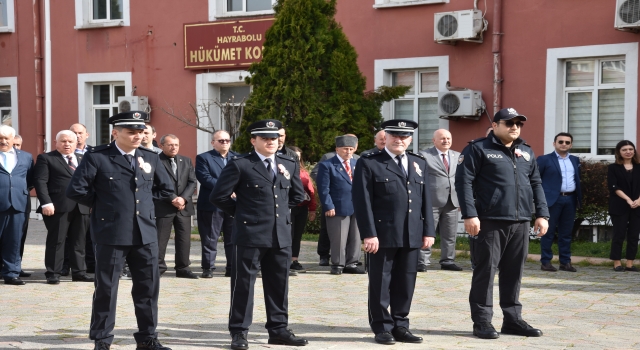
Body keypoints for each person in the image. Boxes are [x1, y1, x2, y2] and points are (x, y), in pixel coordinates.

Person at [66, 111, 174, 350]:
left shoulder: (150, 158)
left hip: (145, 233)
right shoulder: (98, 157)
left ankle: (148, 338)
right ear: (115, 133)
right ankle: (102, 339)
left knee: (148, 287)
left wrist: (144, 205)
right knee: (106, 288)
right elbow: (76, 190)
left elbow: (166, 189)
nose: (138, 136)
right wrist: (103, 204)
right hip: (111, 231)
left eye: (140, 132)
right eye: (131, 132)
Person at [210, 119, 308, 350]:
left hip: (280, 235)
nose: (271, 142)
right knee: (243, 285)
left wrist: (280, 216)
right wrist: (244, 214)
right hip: (250, 235)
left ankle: (278, 330)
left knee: (279, 285)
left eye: (274, 138)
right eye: (265, 138)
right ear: (253, 140)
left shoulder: (288, 162)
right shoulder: (241, 164)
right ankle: (239, 332)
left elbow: (298, 195)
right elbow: (219, 196)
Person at [455, 107, 549, 339]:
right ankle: (483, 321)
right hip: (489, 221)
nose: (514, 127)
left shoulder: (526, 151)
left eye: (518, 123)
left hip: (520, 221)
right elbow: (463, 183)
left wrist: (542, 214)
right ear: (495, 126)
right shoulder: (478, 149)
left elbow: (536, 183)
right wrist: (470, 214)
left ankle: (512, 319)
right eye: (508, 123)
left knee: (514, 272)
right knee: (485, 271)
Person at [353, 119, 435, 345]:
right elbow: (362, 201)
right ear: (385, 137)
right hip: (383, 234)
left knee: (406, 282)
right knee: (380, 282)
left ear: (410, 139)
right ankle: (381, 327)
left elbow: (426, 200)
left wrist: (428, 230)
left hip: (411, 233)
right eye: (395, 136)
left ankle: (401, 325)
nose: (400, 140)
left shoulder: (419, 162)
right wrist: (369, 233)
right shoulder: (370, 163)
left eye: (405, 136)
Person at [34, 130, 92, 285]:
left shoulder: (83, 158)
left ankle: (79, 272)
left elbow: (90, 182)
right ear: (56, 142)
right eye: (63, 141)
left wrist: (92, 202)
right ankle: (53, 273)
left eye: (70, 141)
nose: (67, 144)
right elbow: (40, 182)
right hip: (57, 207)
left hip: (82, 207)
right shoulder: (46, 158)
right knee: (57, 241)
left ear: (76, 143)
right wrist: (46, 202)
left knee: (79, 241)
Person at [316, 135, 363, 275]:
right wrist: (328, 205)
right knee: (338, 237)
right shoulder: (327, 165)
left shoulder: (358, 164)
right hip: (337, 207)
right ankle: (338, 264)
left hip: (357, 206)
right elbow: (323, 189)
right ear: (337, 149)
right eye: (344, 149)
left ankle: (352, 263)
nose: (348, 152)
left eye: (351, 149)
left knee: (355, 237)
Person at [195, 130, 239, 278]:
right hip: (211, 205)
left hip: (233, 204)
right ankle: (208, 268)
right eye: (221, 141)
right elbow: (205, 178)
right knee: (209, 238)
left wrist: (234, 190)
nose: (225, 143)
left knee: (233, 238)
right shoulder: (204, 158)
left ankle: (232, 267)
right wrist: (227, 189)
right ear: (213, 142)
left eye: (227, 140)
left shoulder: (238, 158)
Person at [537, 132, 582, 272]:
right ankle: (546, 262)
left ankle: (565, 262)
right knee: (548, 232)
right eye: (561, 142)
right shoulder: (544, 159)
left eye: (567, 142)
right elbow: (536, 180)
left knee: (566, 233)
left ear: (571, 145)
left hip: (570, 199)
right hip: (552, 200)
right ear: (554, 143)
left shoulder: (575, 160)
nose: (564, 144)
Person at [419, 129, 462, 272]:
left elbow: (461, 178)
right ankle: (422, 261)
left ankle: (448, 260)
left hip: (452, 201)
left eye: (448, 138)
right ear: (434, 140)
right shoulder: (424, 155)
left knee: (450, 233)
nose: (446, 141)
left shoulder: (457, 156)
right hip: (432, 200)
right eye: (442, 138)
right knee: (427, 232)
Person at [155, 134, 198, 278]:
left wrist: (183, 199)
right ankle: (158, 267)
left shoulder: (185, 160)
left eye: (176, 145)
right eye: (170, 145)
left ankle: (183, 268)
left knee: (184, 239)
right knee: (161, 239)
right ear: (162, 146)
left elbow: (192, 182)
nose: (174, 147)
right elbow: (154, 184)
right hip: (164, 206)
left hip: (183, 207)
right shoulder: (156, 160)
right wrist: (173, 198)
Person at [0, 125, 34, 285]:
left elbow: (31, 180)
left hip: (18, 204)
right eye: (0, 138)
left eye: (7, 138)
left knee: (14, 240)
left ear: (14, 139)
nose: (3, 141)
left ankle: (11, 273)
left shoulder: (26, 157)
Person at [607, 140, 640, 272]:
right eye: (624, 149)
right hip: (619, 205)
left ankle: (630, 263)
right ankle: (617, 263)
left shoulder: (639, 167)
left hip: (637, 206)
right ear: (619, 152)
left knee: (634, 235)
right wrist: (627, 199)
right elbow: (613, 186)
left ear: (634, 151)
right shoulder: (613, 168)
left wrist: (638, 200)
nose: (628, 152)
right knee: (619, 234)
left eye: (630, 149)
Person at [69, 123, 96, 274]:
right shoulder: (60, 153)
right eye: (74, 133)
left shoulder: (95, 153)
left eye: (80, 133)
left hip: (89, 202)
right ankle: (67, 266)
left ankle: (91, 265)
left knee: (91, 236)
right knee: (71, 238)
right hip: (69, 202)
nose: (77, 136)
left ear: (87, 135)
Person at [288, 146, 316, 273]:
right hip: (289, 207)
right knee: (289, 234)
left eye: (298, 157)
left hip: (302, 208)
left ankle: (294, 259)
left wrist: (312, 209)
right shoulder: (283, 169)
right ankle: (285, 259)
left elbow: (311, 192)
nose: (296, 159)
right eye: (294, 156)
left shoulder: (303, 172)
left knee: (297, 235)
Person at [9, 135, 32, 278]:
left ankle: (16, 266)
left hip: (20, 201)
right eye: (14, 144)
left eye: (18, 145)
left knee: (18, 237)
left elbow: (30, 179)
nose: (15, 147)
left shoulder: (26, 158)